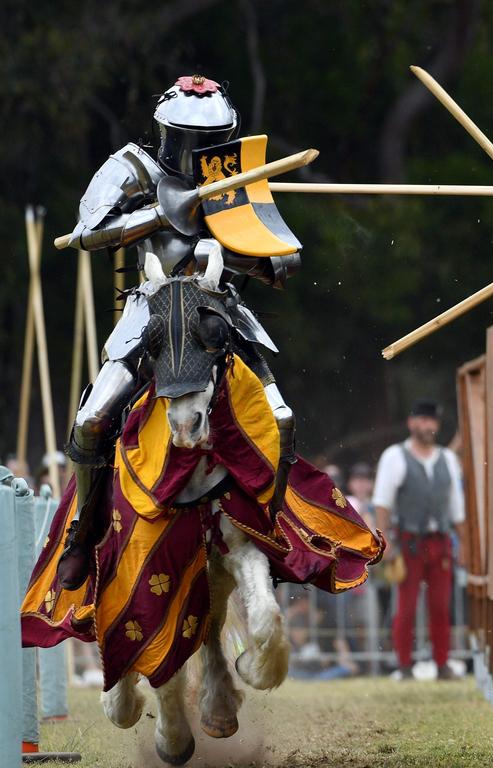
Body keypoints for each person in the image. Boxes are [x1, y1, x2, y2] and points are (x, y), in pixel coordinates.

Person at [57, 75, 301, 590]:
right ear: (166, 132)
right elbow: (87, 232)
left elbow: (284, 260)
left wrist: (227, 238)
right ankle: (84, 529)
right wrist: (160, 212)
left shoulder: (233, 174)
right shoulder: (131, 166)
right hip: (153, 308)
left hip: (220, 308)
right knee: (92, 419)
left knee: (280, 418)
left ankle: (272, 527)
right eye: (188, 139)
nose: (198, 150)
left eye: (208, 140)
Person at [372, 400, 465, 680]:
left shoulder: (447, 459)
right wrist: (384, 540)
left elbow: (456, 508)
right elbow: (382, 504)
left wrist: (467, 545)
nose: (428, 426)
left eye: (432, 421)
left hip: (440, 541)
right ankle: (404, 664)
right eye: (423, 420)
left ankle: (442, 662)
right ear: (412, 423)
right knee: (407, 606)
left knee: (440, 605)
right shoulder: (395, 456)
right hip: (409, 541)